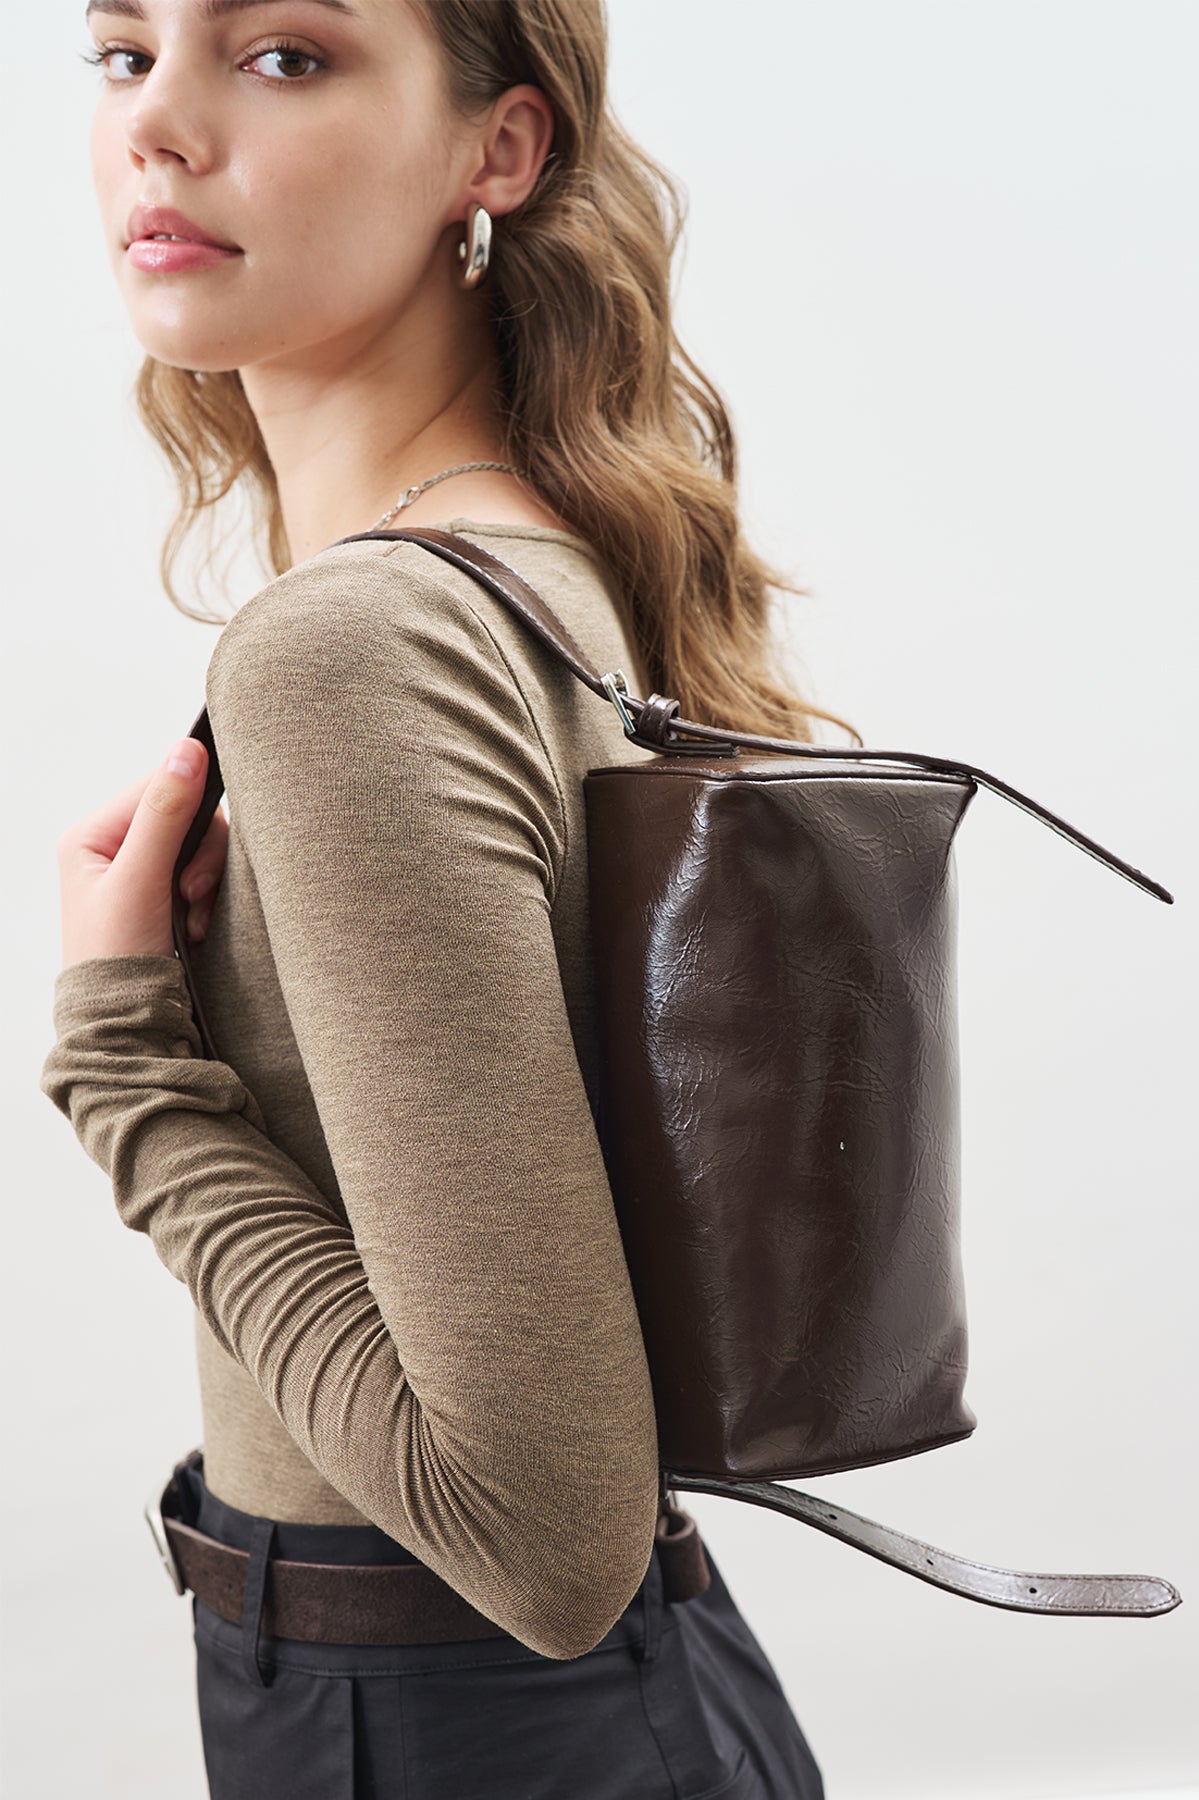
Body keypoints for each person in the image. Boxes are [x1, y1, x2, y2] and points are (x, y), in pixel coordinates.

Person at [41, 2, 852, 1793]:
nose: (159, 124)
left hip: (451, 1723)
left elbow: (542, 1540)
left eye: (284, 54)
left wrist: (127, 1071)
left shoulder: (357, 642)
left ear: (501, 147)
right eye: (121, 51)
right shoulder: (534, 564)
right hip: (586, 1714)